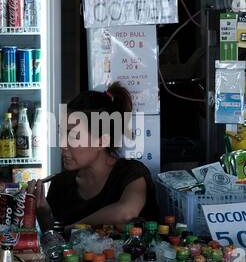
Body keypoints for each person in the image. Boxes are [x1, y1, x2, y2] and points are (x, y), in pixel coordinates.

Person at [28, 83, 159, 228]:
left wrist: (74, 227)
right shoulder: (61, 184)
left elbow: (126, 212)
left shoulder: (131, 174)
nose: (62, 144)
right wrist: (43, 213)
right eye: (61, 133)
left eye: (73, 135)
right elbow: (55, 241)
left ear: (102, 141)